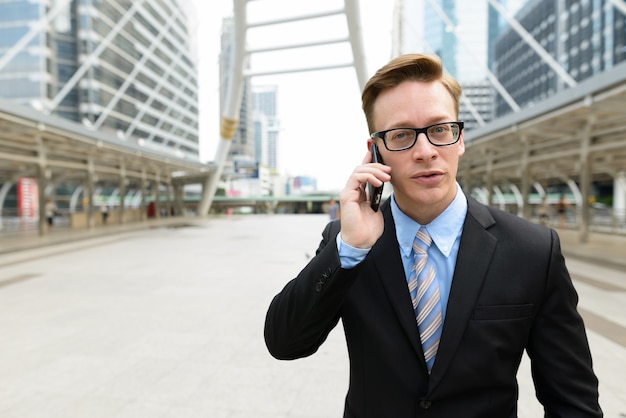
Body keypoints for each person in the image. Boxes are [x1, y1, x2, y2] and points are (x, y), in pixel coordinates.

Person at [264, 54, 601, 417]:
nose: (425, 152)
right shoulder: (348, 241)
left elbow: (573, 401)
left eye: (440, 129)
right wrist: (349, 249)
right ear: (375, 150)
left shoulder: (532, 250)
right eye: (402, 135)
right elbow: (285, 343)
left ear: (460, 139)